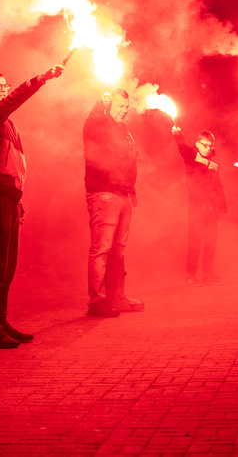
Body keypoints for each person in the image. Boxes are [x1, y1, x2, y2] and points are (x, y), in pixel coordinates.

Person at [0, 65, 63, 348]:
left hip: (9, 194)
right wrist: (39, 79)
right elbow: (13, 101)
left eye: (5, 85)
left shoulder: (6, 122)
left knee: (8, 266)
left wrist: (18, 199)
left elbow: (15, 163)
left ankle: (2, 321)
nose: (4, 89)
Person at [83, 90, 144, 317]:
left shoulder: (123, 129)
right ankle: (97, 301)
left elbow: (127, 160)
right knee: (102, 248)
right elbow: (94, 122)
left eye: (126, 107)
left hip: (123, 194)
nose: (124, 110)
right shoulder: (98, 124)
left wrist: (132, 190)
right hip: (104, 194)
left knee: (118, 250)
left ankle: (117, 297)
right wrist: (102, 103)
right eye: (120, 106)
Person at [171, 126, 227, 286]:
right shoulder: (192, 157)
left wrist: (222, 207)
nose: (208, 148)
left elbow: (219, 187)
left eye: (211, 145)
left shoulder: (214, 164)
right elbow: (183, 148)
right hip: (197, 208)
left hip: (212, 209)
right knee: (195, 242)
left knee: (211, 243)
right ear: (198, 144)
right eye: (205, 145)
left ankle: (208, 274)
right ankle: (190, 275)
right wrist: (179, 135)